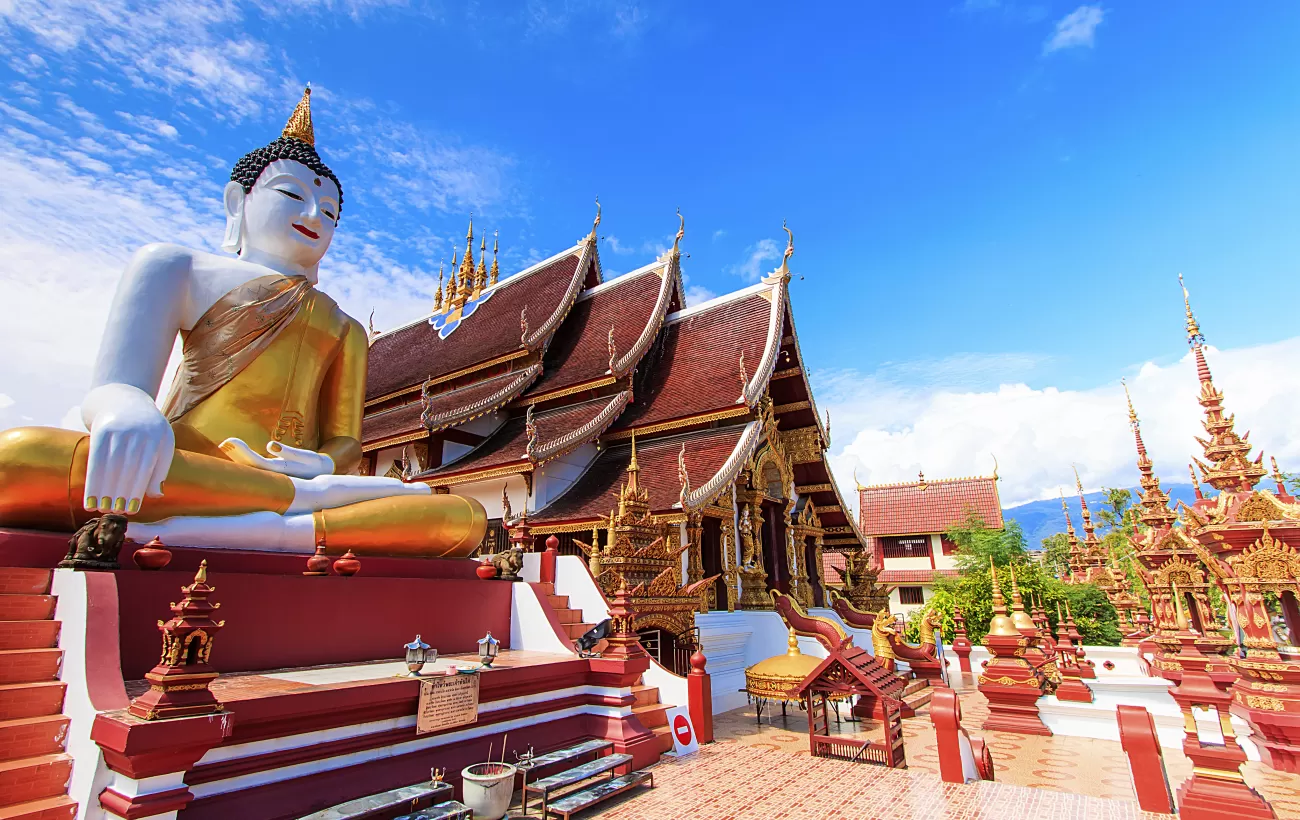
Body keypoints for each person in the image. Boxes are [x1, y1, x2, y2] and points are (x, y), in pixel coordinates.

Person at [0, 88, 485, 557]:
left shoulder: (344, 328)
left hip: (287, 480)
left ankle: (273, 529)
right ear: (239, 201)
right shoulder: (176, 267)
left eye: (331, 213)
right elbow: (116, 386)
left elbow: (346, 445)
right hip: (186, 465)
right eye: (292, 195)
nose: (315, 215)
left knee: (462, 518)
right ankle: (293, 517)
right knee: (20, 461)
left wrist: (319, 465)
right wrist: (123, 410)